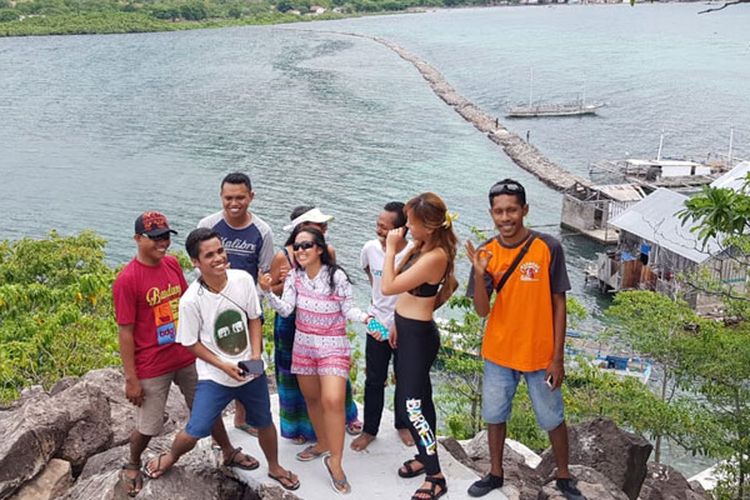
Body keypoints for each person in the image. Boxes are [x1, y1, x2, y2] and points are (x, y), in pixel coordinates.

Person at [142, 228, 299, 491]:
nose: (218, 258)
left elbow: (253, 318)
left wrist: (256, 356)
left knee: (264, 422)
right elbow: (191, 342)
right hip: (215, 376)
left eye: (220, 251)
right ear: (195, 262)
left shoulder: (242, 280)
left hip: (249, 369)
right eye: (209, 255)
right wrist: (222, 364)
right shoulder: (190, 300)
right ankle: (170, 457)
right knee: (196, 429)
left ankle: (274, 466)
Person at [112, 212, 255, 497]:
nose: (162, 242)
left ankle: (227, 450)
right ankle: (132, 463)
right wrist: (131, 378)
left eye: (165, 236)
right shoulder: (127, 280)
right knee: (149, 424)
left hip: (186, 354)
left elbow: (189, 303)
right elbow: (125, 332)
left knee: (206, 407)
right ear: (137, 239)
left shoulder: (172, 264)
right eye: (154, 238)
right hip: (152, 363)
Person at [464, 179, 583, 499]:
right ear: (492, 213)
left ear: (525, 210)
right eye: (499, 212)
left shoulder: (548, 247)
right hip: (499, 352)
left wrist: (558, 358)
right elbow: (480, 311)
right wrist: (478, 274)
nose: (506, 218)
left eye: (512, 210)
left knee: (552, 417)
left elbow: (559, 303)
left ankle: (564, 476)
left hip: (540, 354)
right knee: (494, 414)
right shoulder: (486, 253)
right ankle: (495, 473)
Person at [260, 227, 369, 495]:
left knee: (333, 399)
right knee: (312, 398)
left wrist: (367, 318)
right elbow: (286, 309)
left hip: (332, 344)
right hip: (304, 345)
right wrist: (267, 292)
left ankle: (336, 462)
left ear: (320, 248)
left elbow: (348, 309)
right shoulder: (295, 277)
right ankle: (322, 443)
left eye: (306, 245)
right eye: (296, 247)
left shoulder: (336, 276)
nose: (300, 251)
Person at [381, 193, 458, 500]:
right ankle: (425, 457)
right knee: (418, 401)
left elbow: (387, 285)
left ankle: (435, 475)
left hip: (419, 337)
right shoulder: (423, 246)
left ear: (428, 225)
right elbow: (401, 280)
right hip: (408, 330)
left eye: (411, 222)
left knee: (413, 408)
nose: (406, 226)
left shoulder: (437, 256)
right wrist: (409, 246)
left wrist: (390, 249)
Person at [269, 206, 361, 446]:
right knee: (294, 378)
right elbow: (276, 290)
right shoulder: (283, 256)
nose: (324, 229)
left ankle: (344, 418)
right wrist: (279, 283)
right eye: (319, 226)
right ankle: (301, 428)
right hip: (292, 324)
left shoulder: (327, 250)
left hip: (326, 330)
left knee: (333, 378)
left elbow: (331, 284)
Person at [197, 172, 274, 435]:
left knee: (250, 359)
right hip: (213, 307)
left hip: (248, 307)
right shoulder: (208, 225)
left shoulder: (262, 231)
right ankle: (215, 422)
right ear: (221, 196)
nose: (234, 203)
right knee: (216, 361)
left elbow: (263, 273)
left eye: (240, 197)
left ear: (251, 197)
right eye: (228, 197)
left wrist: (251, 303)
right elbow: (199, 267)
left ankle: (243, 417)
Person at [351, 201, 415, 452]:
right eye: (377, 225)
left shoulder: (412, 253)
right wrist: (378, 298)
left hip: (405, 323)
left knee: (405, 377)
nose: (378, 231)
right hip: (377, 319)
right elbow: (369, 271)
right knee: (374, 379)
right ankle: (370, 429)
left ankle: (403, 424)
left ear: (400, 230)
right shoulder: (369, 248)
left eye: (384, 228)